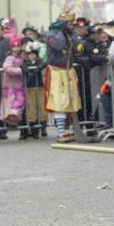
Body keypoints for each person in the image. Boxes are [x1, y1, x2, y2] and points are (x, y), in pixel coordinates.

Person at [45, 10, 81, 142]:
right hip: (57, 72)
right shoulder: (52, 34)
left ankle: (69, 130)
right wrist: (61, 30)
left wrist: (70, 32)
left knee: (72, 101)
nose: (73, 25)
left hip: (69, 72)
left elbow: (77, 46)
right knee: (60, 101)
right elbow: (59, 45)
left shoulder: (69, 34)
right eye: (69, 23)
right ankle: (61, 132)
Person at [0, 35, 25, 129]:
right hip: (10, 85)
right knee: (11, 103)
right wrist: (20, 71)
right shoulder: (10, 58)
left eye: (18, 46)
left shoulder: (22, 57)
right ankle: (11, 117)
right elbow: (7, 68)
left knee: (19, 100)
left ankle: (14, 117)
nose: (16, 48)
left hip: (19, 85)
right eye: (14, 47)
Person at [22, 47, 46, 138]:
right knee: (31, 107)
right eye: (30, 54)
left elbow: (43, 64)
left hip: (39, 86)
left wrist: (36, 70)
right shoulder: (25, 63)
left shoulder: (39, 62)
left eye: (33, 54)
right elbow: (24, 69)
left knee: (41, 105)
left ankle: (43, 127)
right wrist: (31, 72)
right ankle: (34, 129)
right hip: (29, 87)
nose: (32, 56)